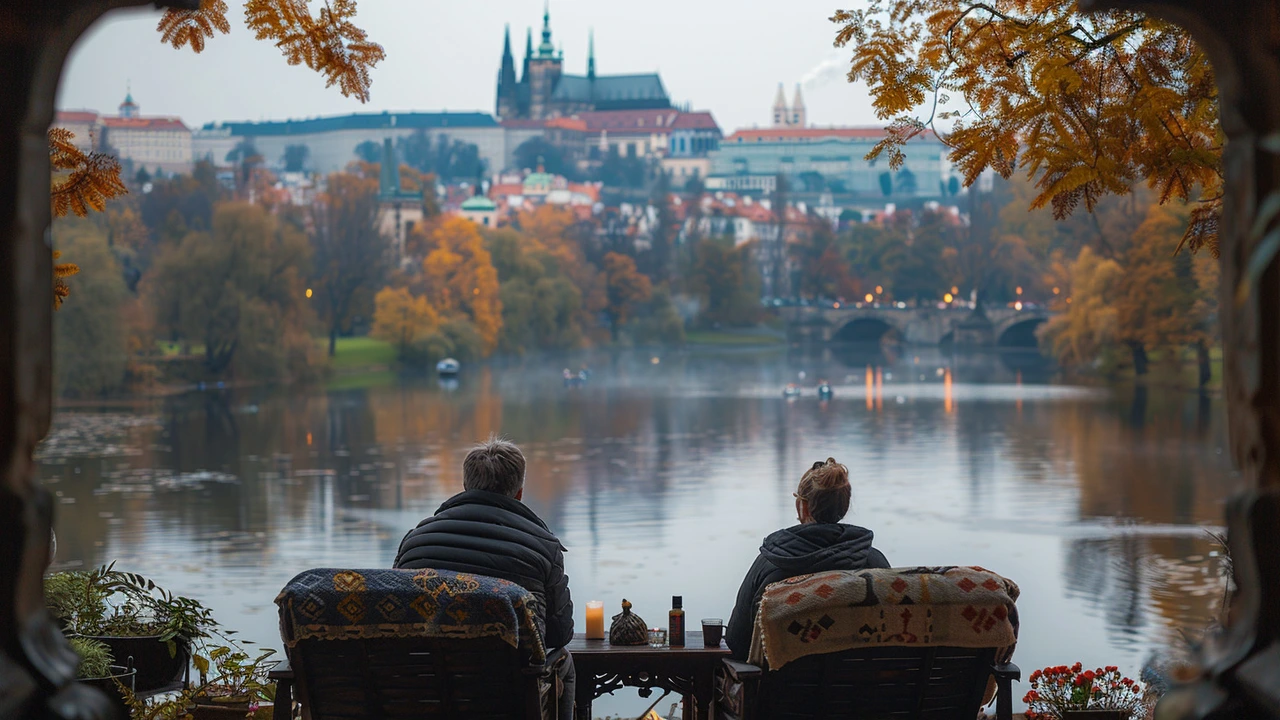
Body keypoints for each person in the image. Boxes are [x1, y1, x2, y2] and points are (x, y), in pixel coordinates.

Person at [394, 437, 575, 719]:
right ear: (519, 493)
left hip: (425, 689)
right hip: (508, 696)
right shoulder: (543, 546)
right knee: (566, 662)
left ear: (466, 486)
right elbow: (559, 634)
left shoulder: (415, 542)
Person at [725, 457, 890, 660]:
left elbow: (737, 642)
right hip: (858, 688)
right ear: (845, 507)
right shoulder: (875, 564)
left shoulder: (771, 563)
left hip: (782, 690)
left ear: (803, 507)